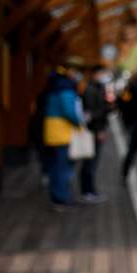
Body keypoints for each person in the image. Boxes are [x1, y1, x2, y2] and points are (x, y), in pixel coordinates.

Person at [41, 65, 84, 210]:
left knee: (55, 166)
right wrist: (79, 123)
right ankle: (61, 198)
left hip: (52, 131)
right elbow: (69, 111)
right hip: (62, 133)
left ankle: (58, 196)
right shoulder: (65, 88)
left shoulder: (53, 87)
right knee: (62, 167)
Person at [78, 66, 112, 203]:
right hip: (93, 131)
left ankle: (89, 190)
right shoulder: (91, 90)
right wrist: (99, 130)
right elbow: (93, 113)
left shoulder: (97, 88)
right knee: (90, 162)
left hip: (95, 130)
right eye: (104, 73)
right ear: (96, 74)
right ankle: (88, 191)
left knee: (91, 162)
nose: (105, 76)